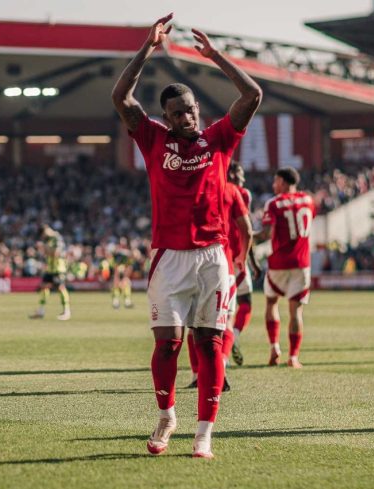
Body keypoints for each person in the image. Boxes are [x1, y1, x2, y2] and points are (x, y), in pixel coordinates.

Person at [111, 13, 261, 458]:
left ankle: (204, 433)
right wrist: (147, 48)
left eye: (192, 110)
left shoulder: (219, 138)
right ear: (166, 118)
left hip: (213, 257)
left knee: (209, 342)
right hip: (168, 258)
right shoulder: (152, 139)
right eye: (178, 114)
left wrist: (216, 57)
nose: (188, 118)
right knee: (167, 345)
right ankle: (166, 415)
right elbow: (120, 96)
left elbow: (252, 94)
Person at [186, 177, 253, 391]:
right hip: (226, 265)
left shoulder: (192, 184)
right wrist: (244, 255)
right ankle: (221, 365)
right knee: (225, 322)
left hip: (193, 263)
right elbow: (248, 230)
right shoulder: (234, 192)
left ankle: (197, 374)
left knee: (193, 324)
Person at [261, 167, 315, 368]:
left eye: (276, 181)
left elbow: (266, 232)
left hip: (278, 263)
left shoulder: (274, 203)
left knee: (271, 302)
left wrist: (248, 236)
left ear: (283, 182)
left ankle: (274, 346)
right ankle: (293, 357)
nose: (274, 185)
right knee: (296, 312)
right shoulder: (308, 200)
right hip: (302, 264)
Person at [227, 161, 261, 366]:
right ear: (231, 173)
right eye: (240, 173)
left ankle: (225, 345)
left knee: (219, 308)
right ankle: (233, 337)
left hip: (217, 255)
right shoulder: (242, 193)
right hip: (237, 258)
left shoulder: (213, 187)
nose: (243, 178)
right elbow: (245, 230)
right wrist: (253, 262)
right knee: (244, 304)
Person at [29, 224, 71, 321]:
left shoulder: (57, 238)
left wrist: (44, 248)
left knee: (61, 288)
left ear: (46, 230)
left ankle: (67, 311)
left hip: (58, 268)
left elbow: (55, 254)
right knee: (44, 287)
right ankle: (41, 311)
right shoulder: (48, 240)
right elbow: (47, 253)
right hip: (50, 268)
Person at [111, 238, 134, 309]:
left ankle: (125, 301)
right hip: (118, 269)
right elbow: (114, 264)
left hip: (124, 269)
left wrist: (125, 276)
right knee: (117, 283)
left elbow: (130, 264)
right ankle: (117, 301)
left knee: (126, 283)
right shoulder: (116, 253)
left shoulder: (127, 253)